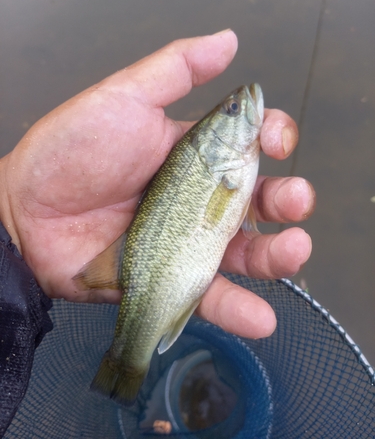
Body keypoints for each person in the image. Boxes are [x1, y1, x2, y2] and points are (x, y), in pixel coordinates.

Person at [0, 30, 315, 433]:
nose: (245, 104)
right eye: (235, 110)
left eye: (231, 107)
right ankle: (127, 365)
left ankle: (125, 366)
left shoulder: (228, 167)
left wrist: (11, 213)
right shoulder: (224, 168)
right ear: (216, 140)